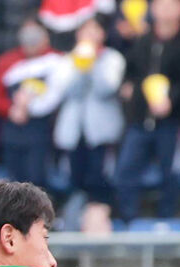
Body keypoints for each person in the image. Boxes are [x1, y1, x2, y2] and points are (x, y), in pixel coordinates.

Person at [112, 0, 180, 222]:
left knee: (170, 174)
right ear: (153, 9)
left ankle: (166, 223)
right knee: (125, 170)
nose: (166, 10)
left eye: (172, 5)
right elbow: (130, 70)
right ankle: (128, 219)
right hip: (140, 119)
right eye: (161, 5)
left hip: (172, 122)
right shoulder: (143, 40)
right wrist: (128, 86)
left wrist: (171, 100)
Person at [54, 16, 124, 221]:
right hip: (74, 131)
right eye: (86, 30)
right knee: (75, 179)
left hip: (102, 132)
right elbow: (67, 91)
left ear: (103, 34)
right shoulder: (67, 59)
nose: (91, 35)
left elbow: (107, 88)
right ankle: (76, 221)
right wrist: (80, 65)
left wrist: (92, 63)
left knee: (100, 178)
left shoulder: (112, 57)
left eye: (95, 30)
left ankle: (100, 222)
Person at [0, 18, 61, 188]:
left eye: (35, 33)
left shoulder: (57, 60)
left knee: (38, 178)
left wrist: (30, 106)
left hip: (43, 129)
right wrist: (11, 110)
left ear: (46, 36)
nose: (31, 39)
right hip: (12, 128)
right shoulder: (6, 61)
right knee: (15, 180)